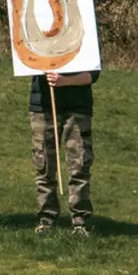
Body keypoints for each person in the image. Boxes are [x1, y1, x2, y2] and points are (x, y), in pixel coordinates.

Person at [30, 70, 100, 236]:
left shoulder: (87, 43)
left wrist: (64, 81)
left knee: (80, 164)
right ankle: (45, 220)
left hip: (78, 106)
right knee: (44, 163)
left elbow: (93, 74)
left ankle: (80, 222)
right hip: (42, 105)